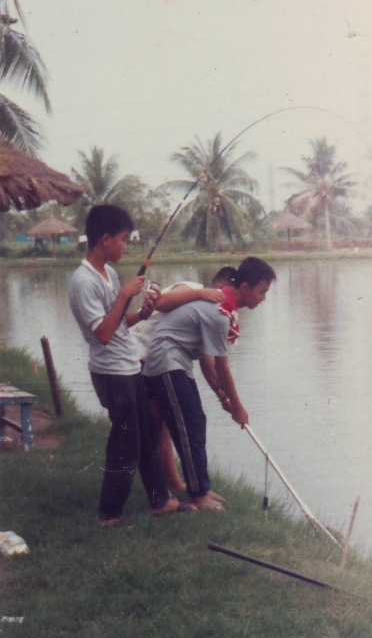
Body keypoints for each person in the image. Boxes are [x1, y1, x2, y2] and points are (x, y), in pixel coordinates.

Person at [68, 204, 181, 527]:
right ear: (105, 239)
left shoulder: (109, 274)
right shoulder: (82, 282)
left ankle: (161, 501)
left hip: (129, 367)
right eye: (123, 239)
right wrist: (123, 297)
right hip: (111, 373)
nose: (126, 245)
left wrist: (142, 314)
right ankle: (110, 514)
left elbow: (117, 325)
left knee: (145, 434)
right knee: (125, 441)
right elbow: (102, 334)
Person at [143, 256, 276, 512]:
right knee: (189, 423)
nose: (264, 298)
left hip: (177, 362)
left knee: (195, 421)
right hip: (165, 361)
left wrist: (222, 395)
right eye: (262, 291)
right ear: (245, 288)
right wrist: (238, 406)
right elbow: (222, 367)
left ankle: (200, 487)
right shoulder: (219, 313)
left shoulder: (223, 307)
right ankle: (199, 494)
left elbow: (208, 363)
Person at [130, 266, 236, 497]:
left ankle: (172, 482)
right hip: (139, 354)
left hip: (156, 360)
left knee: (166, 423)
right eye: (224, 294)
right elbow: (160, 301)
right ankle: (160, 494)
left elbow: (208, 362)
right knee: (154, 424)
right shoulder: (193, 289)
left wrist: (221, 394)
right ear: (219, 289)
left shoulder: (205, 311)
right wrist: (201, 293)